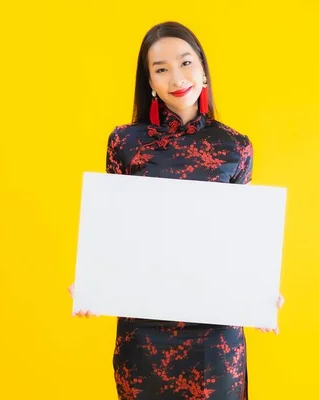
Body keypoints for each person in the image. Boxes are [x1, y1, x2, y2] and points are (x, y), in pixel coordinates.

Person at [68, 21, 284, 400]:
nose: (176, 77)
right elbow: (114, 230)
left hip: (216, 335)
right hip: (144, 331)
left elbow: (241, 240)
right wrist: (92, 281)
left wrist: (261, 291)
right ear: (149, 80)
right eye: (161, 69)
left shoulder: (236, 146)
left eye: (185, 63)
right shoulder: (125, 142)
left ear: (202, 68)